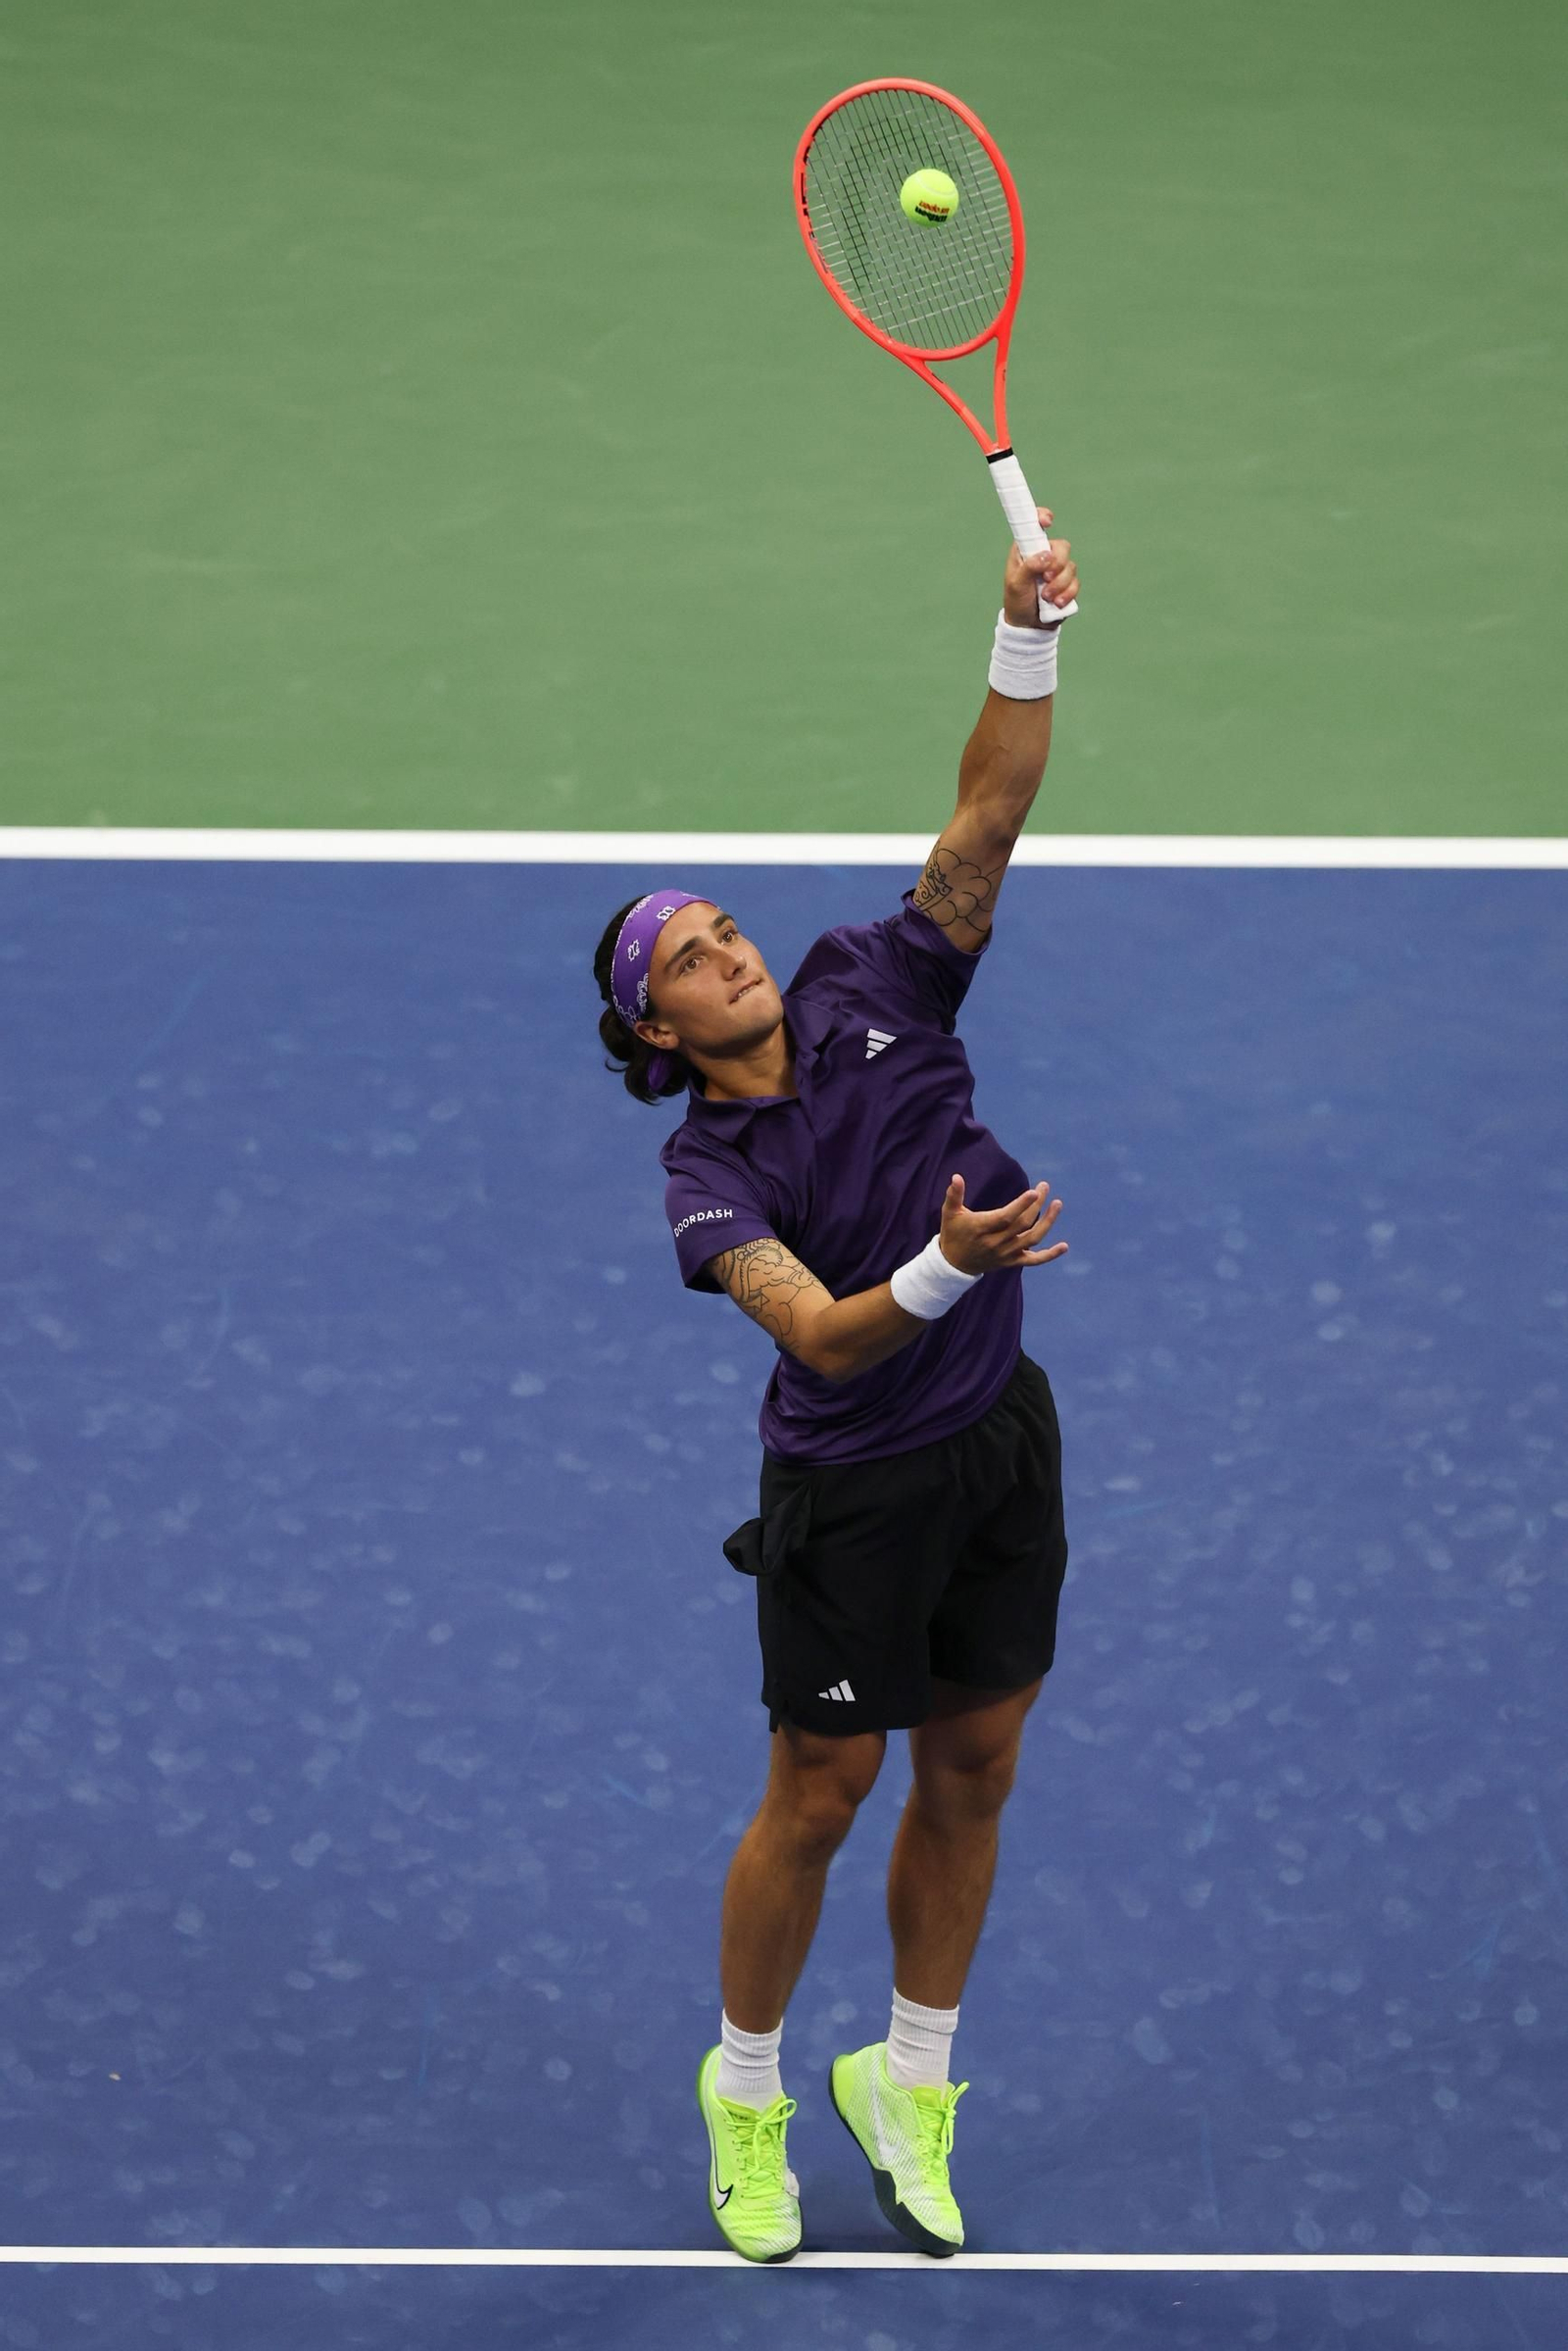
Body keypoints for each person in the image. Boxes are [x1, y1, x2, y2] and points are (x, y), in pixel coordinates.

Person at [591, 516, 1081, 2264]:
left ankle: (913, 2076)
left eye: (722, 928)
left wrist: (1021, 634)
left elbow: (987, 816)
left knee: (978, 1764)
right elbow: (817, 1334)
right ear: (661, 1034)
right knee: (821, 1792)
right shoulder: (707, 1181)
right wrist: (955, 1259)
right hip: (853, 1494)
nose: (724, 952)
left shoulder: (877, 976)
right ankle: (747, 2093)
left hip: (995, 1444)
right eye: (686, 962)